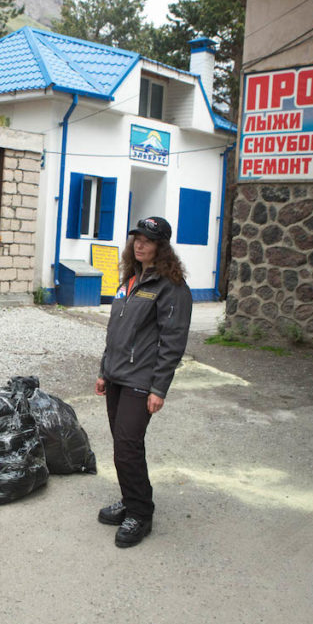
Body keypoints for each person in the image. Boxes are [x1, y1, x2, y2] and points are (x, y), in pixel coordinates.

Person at [95, 216, 192, 548]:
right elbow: (116, 332)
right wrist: (103, 370)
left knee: (127, 445)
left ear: (161, 247)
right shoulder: (130, 280)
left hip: (141, 379)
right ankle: (130, 499)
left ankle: (140, 513)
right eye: (136, 238)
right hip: (118, 375)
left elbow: (173, 341)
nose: (139, 244)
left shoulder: (171, 287)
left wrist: (158, 388)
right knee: (122, 447)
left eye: (147, 240)